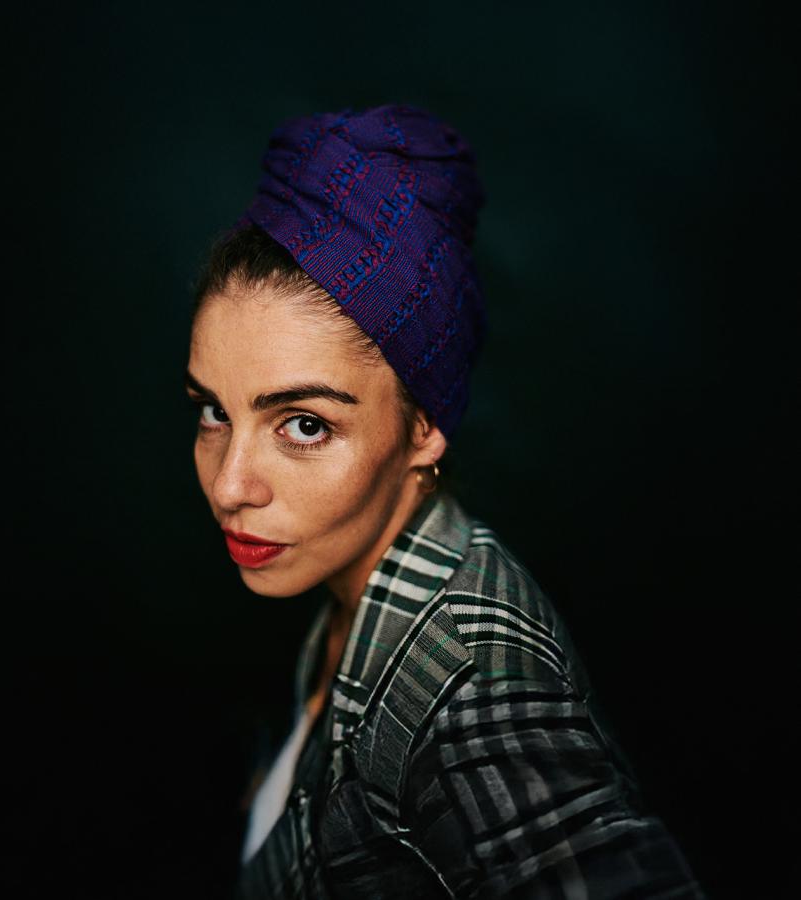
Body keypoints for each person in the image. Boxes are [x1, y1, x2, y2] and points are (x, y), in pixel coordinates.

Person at [185, 104, 706, 899]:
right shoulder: (348, 586)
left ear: (424, 426)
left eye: (304, 424)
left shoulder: (471, 684)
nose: (230, 486)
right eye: (214, 411)